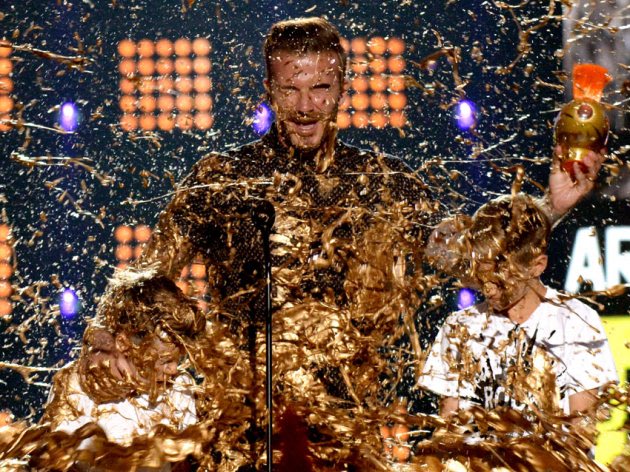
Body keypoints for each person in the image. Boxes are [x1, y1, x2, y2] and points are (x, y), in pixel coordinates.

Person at [91, 17, 604, 468]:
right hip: (239, 431)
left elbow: (473, 256)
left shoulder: (382, 184)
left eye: (320, 88)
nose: (306, 106)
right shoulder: (224, 180)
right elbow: (144, 273)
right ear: (268, 89)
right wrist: (108, 339)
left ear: (342, 87)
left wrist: (552, 206)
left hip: (349, 432)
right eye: (291, 89)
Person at [418, 194, 618, 419]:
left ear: (537, 266)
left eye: (500, 280)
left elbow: (581, 432)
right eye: (483, 277)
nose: (490, 289)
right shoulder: (459, 327)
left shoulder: (576, 321)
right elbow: (449, 429)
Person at [42, 269, 205, 471]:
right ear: (124, 343)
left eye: (177, 359)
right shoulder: (74, 388)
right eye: (164, 361)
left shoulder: (179, 389)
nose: (172, 370)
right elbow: (54, 461)